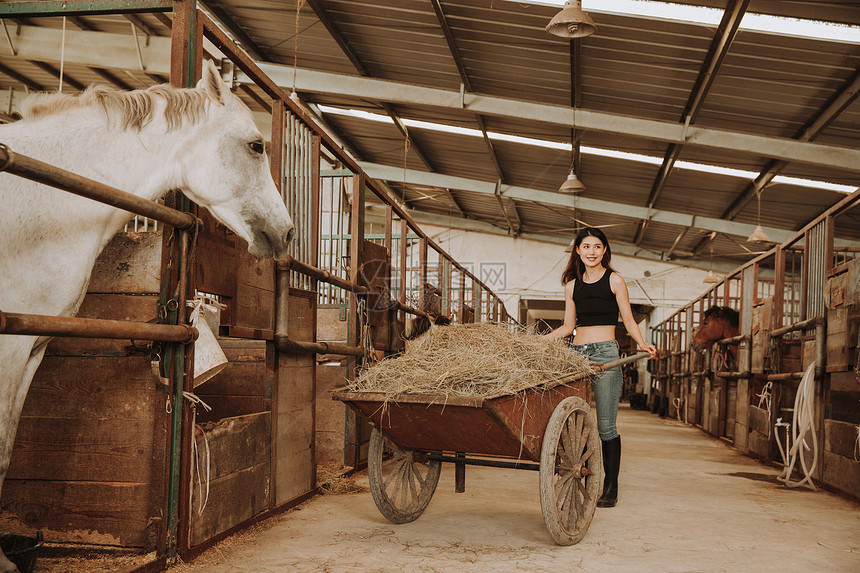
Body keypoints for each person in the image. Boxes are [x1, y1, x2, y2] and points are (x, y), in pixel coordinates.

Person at [544, 227, 657, 508]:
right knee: (575, 421)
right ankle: (579, 472)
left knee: (606, 425)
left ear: (604, 250)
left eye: (597, 246)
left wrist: (642, 343)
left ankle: (610, 487)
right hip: (576, 356)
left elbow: (629, 321)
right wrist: (537, 341)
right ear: (578, 251)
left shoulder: (615, 281)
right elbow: (569, 327)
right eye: (586, 247)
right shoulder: (571, 286)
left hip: (607, 355)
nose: (591, 252)